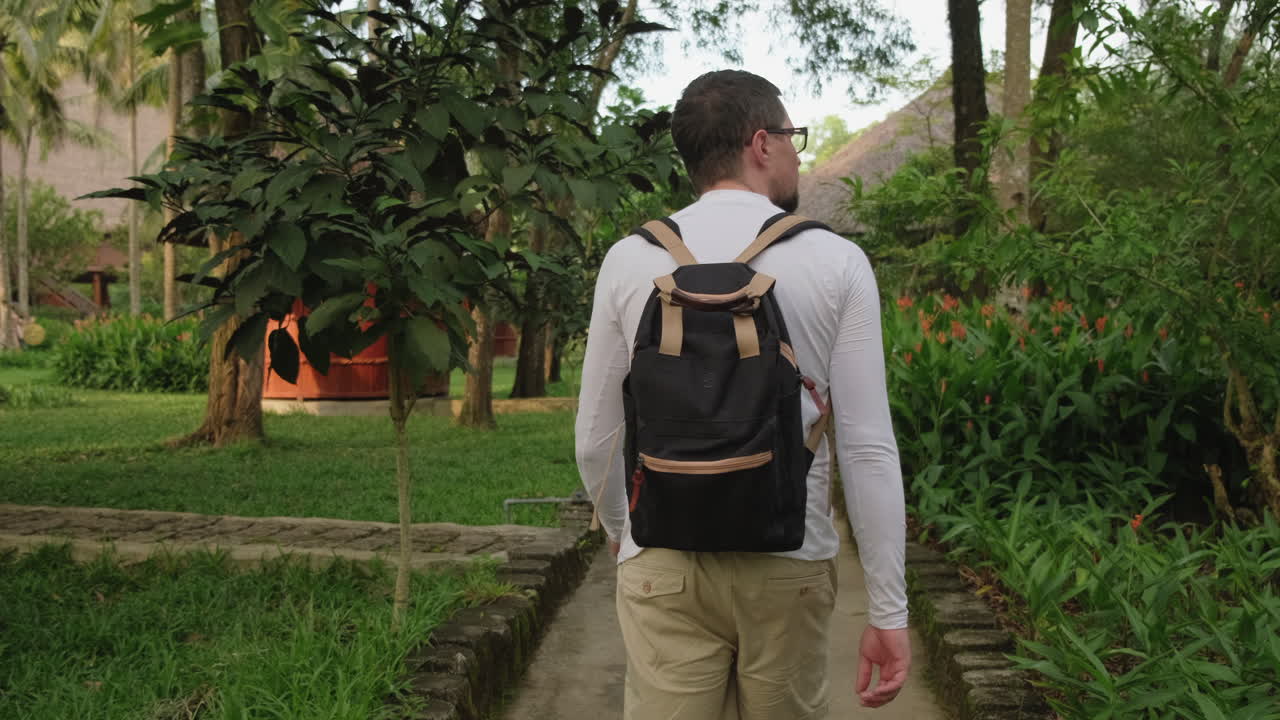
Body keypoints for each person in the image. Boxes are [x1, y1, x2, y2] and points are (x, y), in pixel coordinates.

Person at [575, 70, 910, 719]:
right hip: (789, 556)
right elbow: (868, 448)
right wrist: (889, 609)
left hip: (663, 555)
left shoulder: (627, 260)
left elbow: (596, 438)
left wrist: (627, 535)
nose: (795, 152)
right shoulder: (837, 262)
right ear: (761, 143)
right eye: (793, 137)